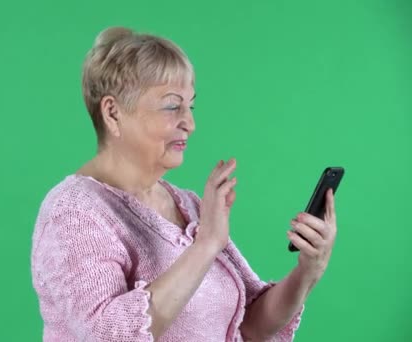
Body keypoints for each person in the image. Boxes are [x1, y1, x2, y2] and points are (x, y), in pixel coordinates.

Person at [30, 26, 338, 341]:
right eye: (171, 106)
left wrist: (307, 271)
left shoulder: (188, 205)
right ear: (113, 112)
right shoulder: (72, 211)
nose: (189, 123)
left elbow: (248, 325)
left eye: (190, 106)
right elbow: (105, 336)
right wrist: (205, 246)